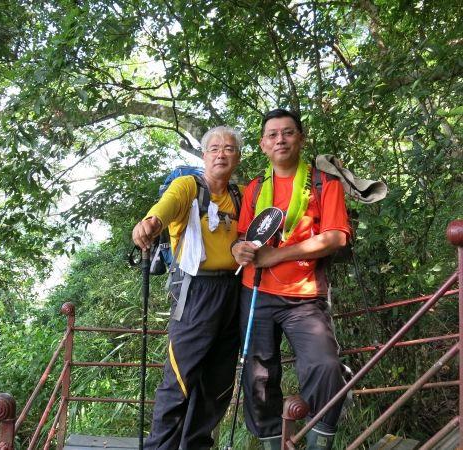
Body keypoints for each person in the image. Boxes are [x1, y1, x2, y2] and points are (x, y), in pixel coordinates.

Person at [231, 109, 350, 450]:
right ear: (263, 145)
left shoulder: (324, 184)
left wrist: (277, 255)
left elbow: (336, 237)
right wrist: (240, 249)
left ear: (301, 138)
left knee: (325, 366)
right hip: (255, 292)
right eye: (273, 135)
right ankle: (272, 443)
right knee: (258, 376)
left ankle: (316, 440)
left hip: (305, 295)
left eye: (287, 133)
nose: (280, 140)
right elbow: (243, 238)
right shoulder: (254, 189)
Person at [132, 125, 245, 450]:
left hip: (234, 291)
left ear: (237, 157)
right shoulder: (188, 187)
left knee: (219, 381)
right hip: (195, 292)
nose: (221, 153)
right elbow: (165, 209)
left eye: (228, 149)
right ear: (204, 156)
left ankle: (195, 446)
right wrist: (150, 224)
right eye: (214, 148)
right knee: (180, 379)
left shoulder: (240, 196)